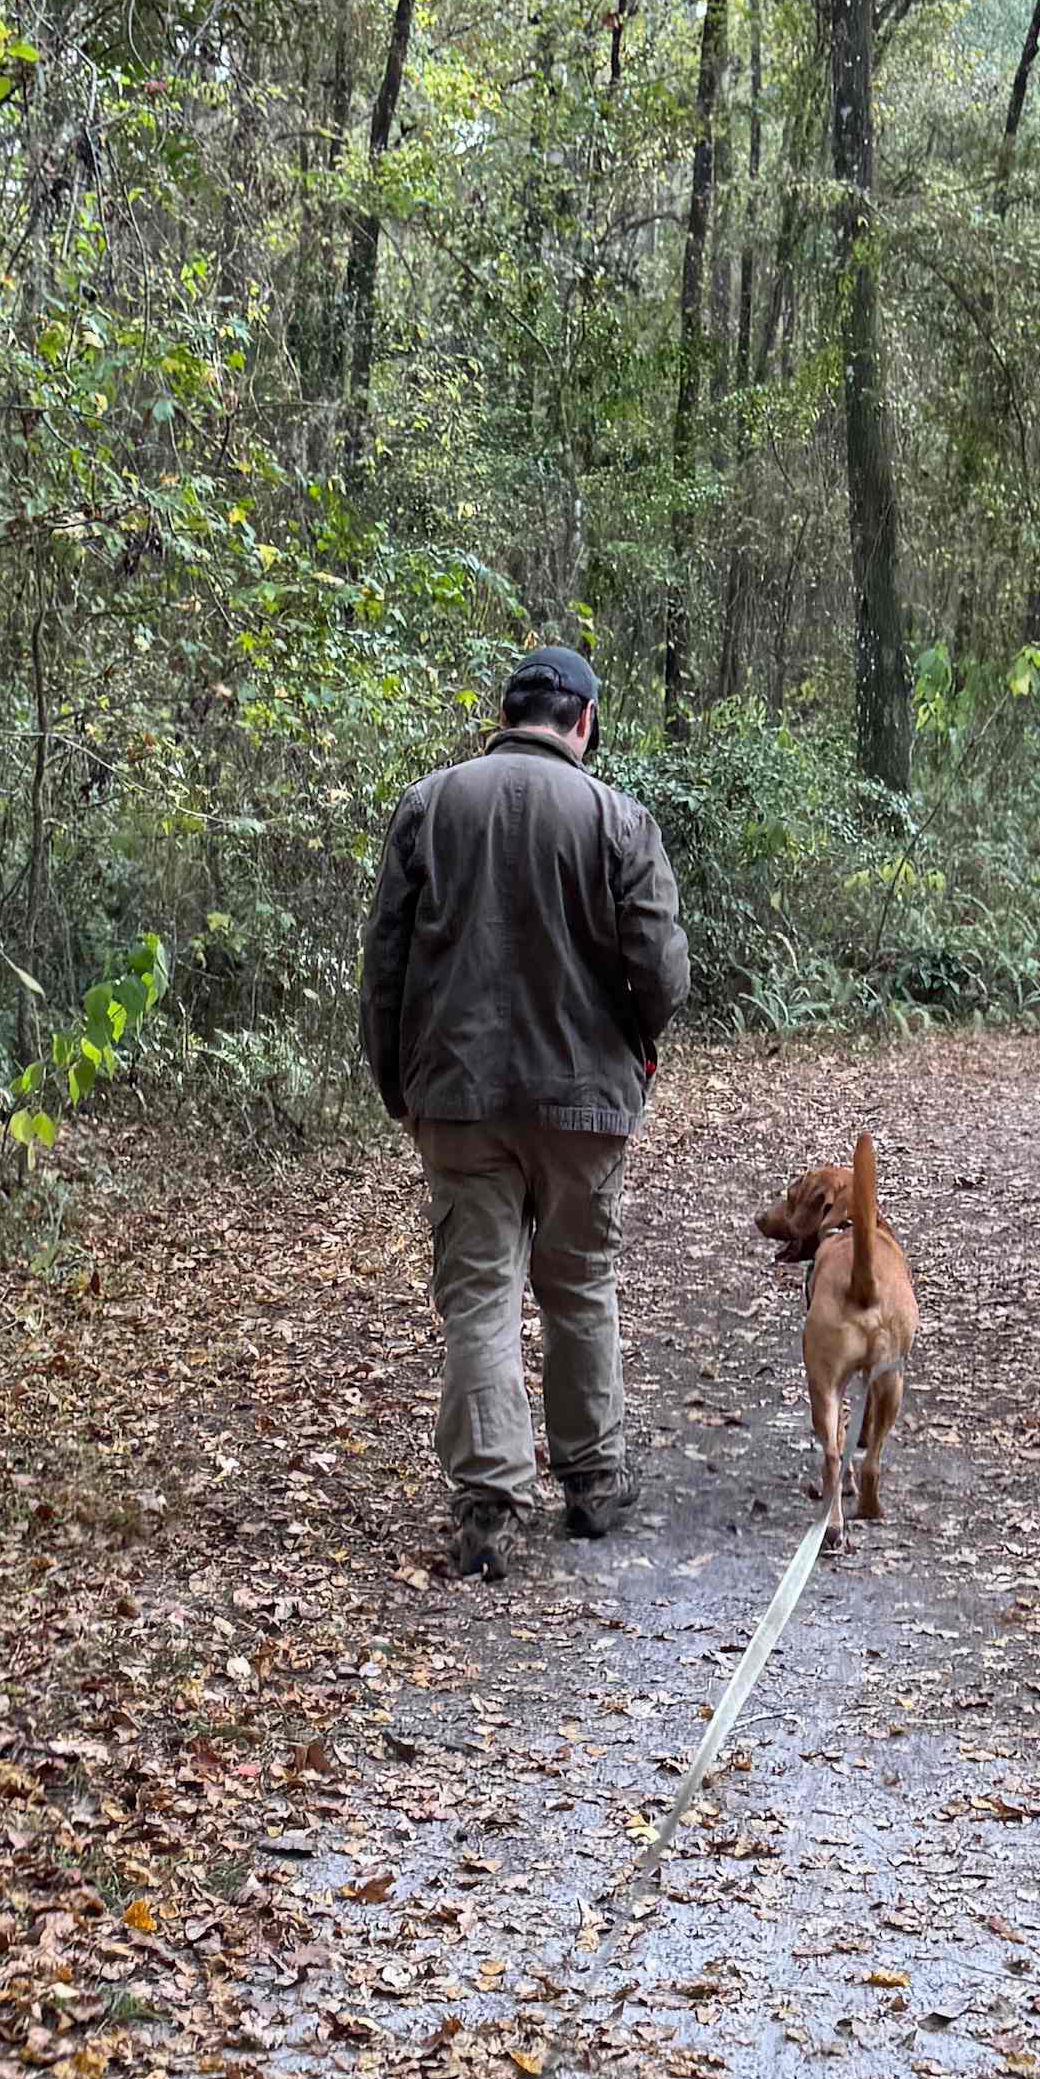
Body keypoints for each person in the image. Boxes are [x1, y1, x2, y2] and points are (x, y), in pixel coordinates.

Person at [358, 643, 690, 1571]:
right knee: (579, 1281)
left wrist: (397, 1080)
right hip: (585, 1102)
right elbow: (662, 967)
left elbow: (385, 964)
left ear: (505, 714)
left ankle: (491, 1509)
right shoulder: (619, 820)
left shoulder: (429, 806)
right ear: (582, 721)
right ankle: (590, 1481)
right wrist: (639, 1048)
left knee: (479, 1297)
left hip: (458, 1098)